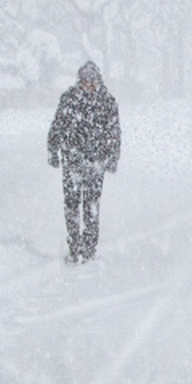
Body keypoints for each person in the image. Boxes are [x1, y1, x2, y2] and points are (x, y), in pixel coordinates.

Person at [47, 61, 121, 262]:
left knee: (91, 206)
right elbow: (58, 125)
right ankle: (74, 244)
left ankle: (89, 247)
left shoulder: (107, 101)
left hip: (96, 162)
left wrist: (112, 157)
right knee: (71, 205)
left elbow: (114, 132)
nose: (88, 84)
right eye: (85, 81)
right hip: (72, 160)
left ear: (97, 80)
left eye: (91, 80)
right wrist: (53, 149)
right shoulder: (69, 99)